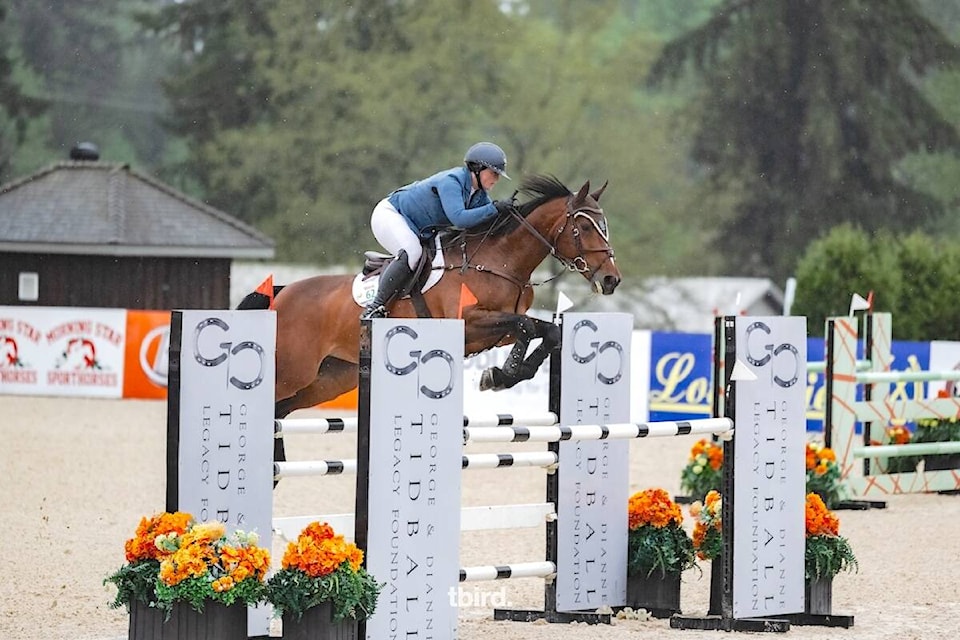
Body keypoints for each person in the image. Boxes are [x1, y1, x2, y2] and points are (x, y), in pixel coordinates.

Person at [360, 141, 515, 319]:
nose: (497, 179)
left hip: (420, 228)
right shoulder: (451, 181)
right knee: (412, 253)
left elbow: (487, 224)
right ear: (478, 169)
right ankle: (375, 306)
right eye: (494, 173)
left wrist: (508, 215)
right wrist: (495, 208)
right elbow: (460, 218)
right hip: (391, 215)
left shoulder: (479, 196)